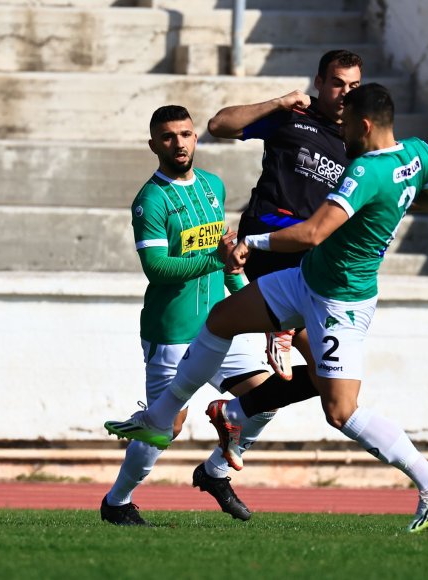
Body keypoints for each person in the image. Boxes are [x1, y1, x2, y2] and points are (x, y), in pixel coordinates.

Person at [106, 84, 428, 533]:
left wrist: (246, 244)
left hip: (340, 301)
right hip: (304, 281)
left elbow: (312, 233)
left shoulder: (364, 171)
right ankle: (164, 435)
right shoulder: (419, 153)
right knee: (222, 321)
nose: (340, 129)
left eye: (346, 121)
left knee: (341, 412)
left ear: (364, 125)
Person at [100, 105, 274, 526]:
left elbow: (229, 263)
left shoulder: (213, 186)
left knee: (266, 397)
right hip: (172, 333)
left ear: (196, 138)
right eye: (168, 136)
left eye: (185, 134)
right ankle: (117, 502)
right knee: (164, 431)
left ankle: (214, 473)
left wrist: (259, 308)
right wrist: (217, 260)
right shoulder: (150, 200)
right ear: (154, 144)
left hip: (219, 326)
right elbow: (157, 269)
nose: (178, 143)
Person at [208, 49, 363, 384]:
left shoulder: (357, 140)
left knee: (332, 383)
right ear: (319, 82)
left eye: (354, 86)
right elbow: (219, 125)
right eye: (337, 83)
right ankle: (280, 326)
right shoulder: (292, 115)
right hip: (267, 234)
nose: (346, 93)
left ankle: (236, 415)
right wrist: (278, 102)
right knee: (313, 242)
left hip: (309, 254)